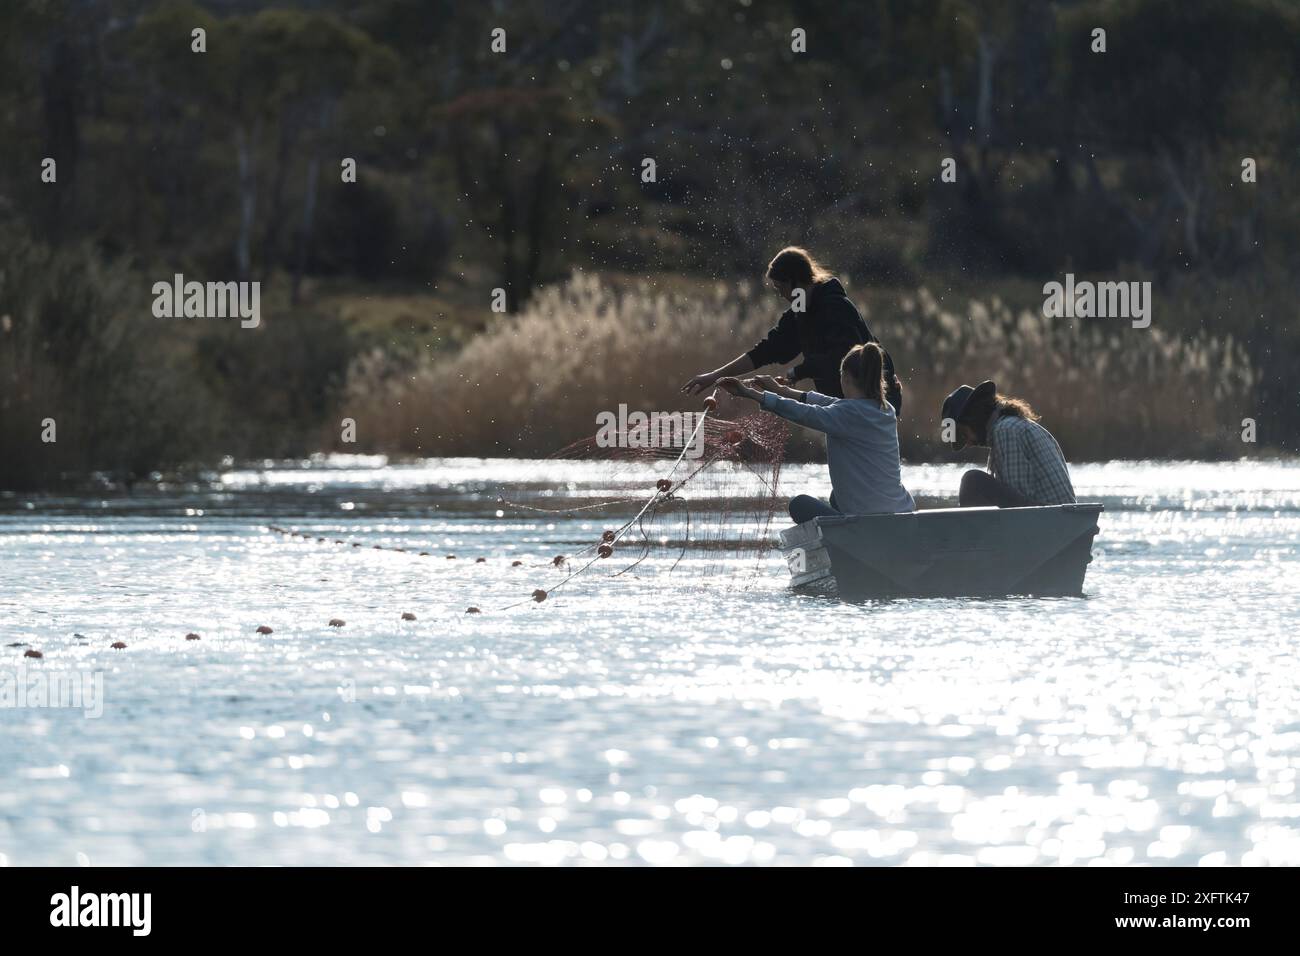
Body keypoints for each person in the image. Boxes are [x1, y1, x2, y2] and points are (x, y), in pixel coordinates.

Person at [682, 246, 902, 411]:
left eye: (781, 288)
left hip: (874, 406)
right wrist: (714, 376)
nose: (781, 295)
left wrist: (797, 373)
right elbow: (768, 350)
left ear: (795, 281)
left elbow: (841, 359)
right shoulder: (800, 311)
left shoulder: (835, 307)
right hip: (842, 407)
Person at [718, 342, 915, 523]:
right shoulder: (885, 409)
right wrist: (779, 389)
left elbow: (804, 413)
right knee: (835, 498)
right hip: (902, 511)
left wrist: (750, 393)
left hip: (868, 520)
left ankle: (849, 537)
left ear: (845, 377)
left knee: (799, 505)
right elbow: (826, 402)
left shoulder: (846, 413)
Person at [940, 380, 1076, 507]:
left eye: (964, 434)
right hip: (1055, 518)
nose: (968, 444)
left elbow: (1017, 509)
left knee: (973, 481)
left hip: (1052, 521)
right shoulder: (1011, 426)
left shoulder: (1006, 430)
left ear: (973, 418)